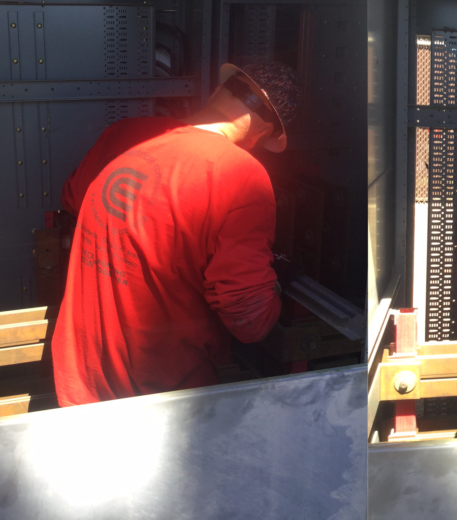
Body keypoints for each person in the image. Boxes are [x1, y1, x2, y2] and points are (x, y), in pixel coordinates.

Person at [52, 61, 300, 406]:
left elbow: (73, 199)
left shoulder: (127, 134)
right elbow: (250, 321)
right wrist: (276, 284)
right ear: (262, 136)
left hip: (79, 379)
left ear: (217, 92)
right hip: (162, 406)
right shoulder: (242, 173)